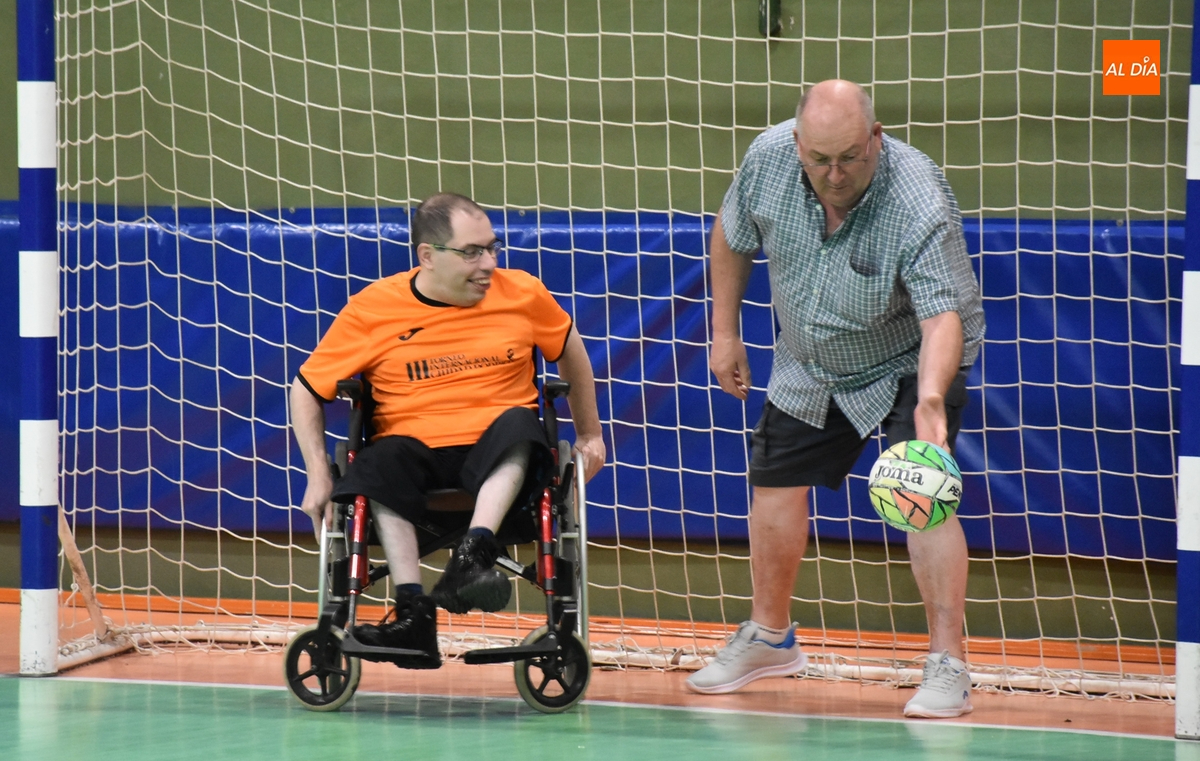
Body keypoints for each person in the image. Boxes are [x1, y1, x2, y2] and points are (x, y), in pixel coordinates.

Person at [688, 80, 985, 719]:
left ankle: (949, 664)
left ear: (876, 137)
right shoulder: (768, 158)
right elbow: (732, 234)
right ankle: (770, 638)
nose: (835, 174)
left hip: (909, 357)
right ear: (797, 143)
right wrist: (724, 332)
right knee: (773, 483)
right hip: (810, 356)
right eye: (820, 159)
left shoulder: (917, 196)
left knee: (920, 492)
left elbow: (943, 316)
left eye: (850, 156)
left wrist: (931, 400)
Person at [290, 192, 605, 669]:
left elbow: (571, 351)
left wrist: (590, 434)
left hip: (499, 459)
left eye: (493, 247)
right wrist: (317, 474)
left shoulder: (523, 293)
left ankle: (472, 558)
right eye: (472, 252)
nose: (489, 264)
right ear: (427, 255)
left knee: (521, 425)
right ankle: (413, 615)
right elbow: (306, 388)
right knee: (377, 460)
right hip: (413, 459)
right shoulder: (373, 308)